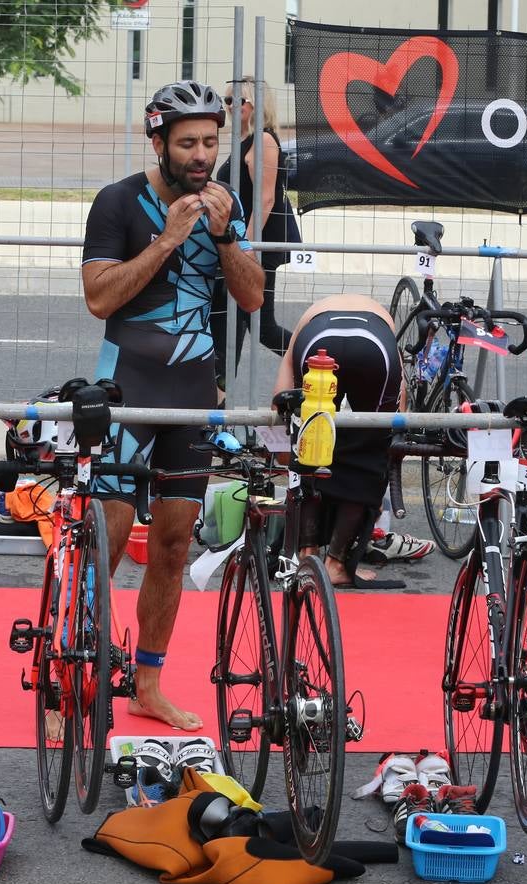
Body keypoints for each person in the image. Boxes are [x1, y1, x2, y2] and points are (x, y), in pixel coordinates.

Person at [82, 80, 264, 730]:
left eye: (210, 142)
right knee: (103, 538)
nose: (200, 155)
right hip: (126, 390)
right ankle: (76, 673)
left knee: (173, 542)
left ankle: (148, 684)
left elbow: (251, 299)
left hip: (191, 397)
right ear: (157, 141)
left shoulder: (225, 203)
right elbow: (99, 299)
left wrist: (222, 240)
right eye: (187, 142)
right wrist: (164, 241)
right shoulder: (117, 203)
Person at [272, 295, 404, 588]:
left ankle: (306, 555)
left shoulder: (309, 318)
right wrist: (384, 459)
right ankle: (336, 562)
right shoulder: (383, 322)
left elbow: (280, 402)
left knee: (307, 447)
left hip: (318, 338)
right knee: (371, 447)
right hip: (376, 345)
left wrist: (289, 454)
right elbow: (397, 420)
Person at [213, 76, 296, 399]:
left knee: (258, 326)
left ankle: (324, 364)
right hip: (242, 244)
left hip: (257, 244)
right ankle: (217, 398)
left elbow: (265, 200)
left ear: (255, 106)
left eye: (239, 101)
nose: (232, 107)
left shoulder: (264, 141)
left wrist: (244, 248)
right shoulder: (246, 140)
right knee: (235, 323)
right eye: (228, 100)